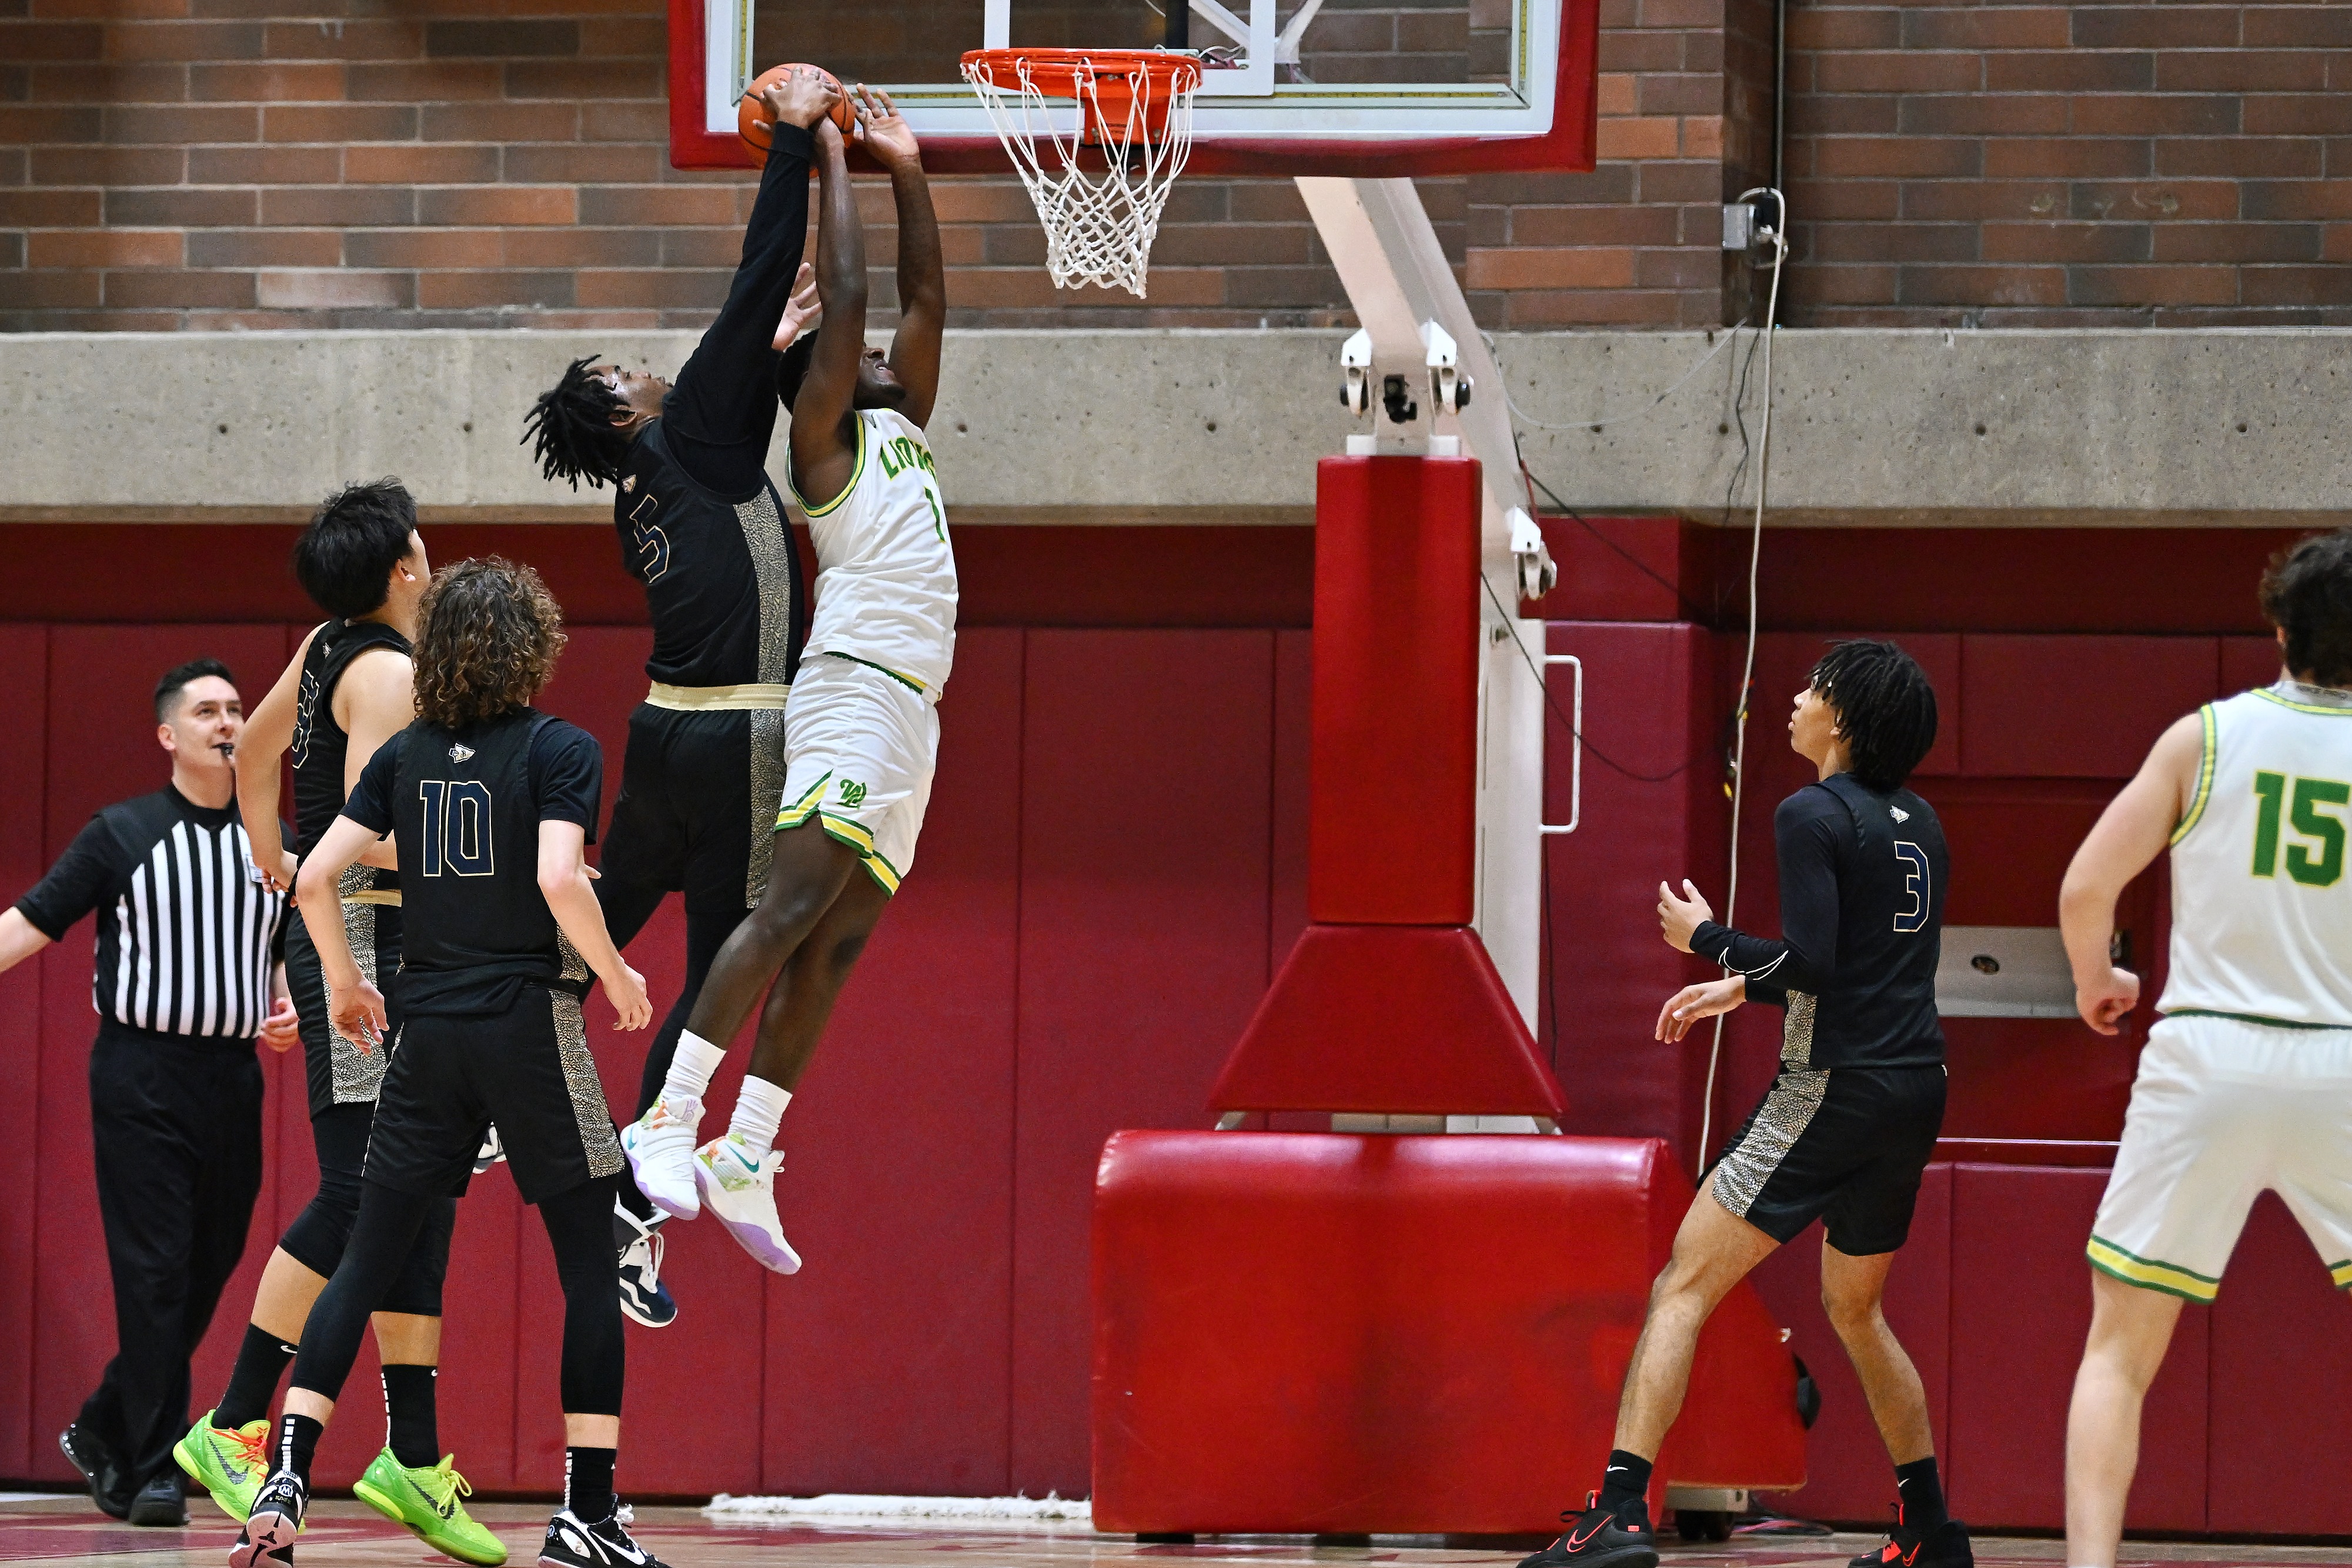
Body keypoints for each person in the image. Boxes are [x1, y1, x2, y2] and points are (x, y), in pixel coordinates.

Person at [232, 557, 657, 1568]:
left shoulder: (406, 757)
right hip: (528, 1023)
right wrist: (619, 971)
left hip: (426, 1032)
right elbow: (561, 875)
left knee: (370, 1255)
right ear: (533, 646)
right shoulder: (562, 748)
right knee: (589, 1267)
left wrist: (341, 979)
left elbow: (316, 870)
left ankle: (287, 1473)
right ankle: (586, 1514)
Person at [1519, 640, 1963, 1568]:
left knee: (1682, 1288)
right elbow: (1865, 974)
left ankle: (1619, 1516)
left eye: (1811, 689)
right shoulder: (1922, 823)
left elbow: (1816, 964)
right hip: (1914, 1087)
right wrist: (1745, 991)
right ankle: (1927, 1532)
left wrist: (1706, 941)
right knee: (1857, 1313)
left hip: (1831, 1088)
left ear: (1839, 719)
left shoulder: (1810, 813)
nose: (1795, 700)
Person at [521, 64, 840, 1329]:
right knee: (719, 967)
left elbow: (727, 430)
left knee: (605, 907)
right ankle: (635, 1208)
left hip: (661, 728)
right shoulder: (684, 433)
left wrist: (756, 365)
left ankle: (487, 1080)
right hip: (739, 732)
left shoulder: (646, 479)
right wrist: (792, 142)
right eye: (626, 366)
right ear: (615, 404)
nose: (651, 365)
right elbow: (761, 273)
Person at [619, 84, 953, 1275]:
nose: (869, 348)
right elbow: (858, 294)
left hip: (911, 709)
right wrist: (827, 155)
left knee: (844, 935)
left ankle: (747, 1148)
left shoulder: (902, 412)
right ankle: (665, 1118)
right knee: (789, 907)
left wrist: (909, 168)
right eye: (844, 351)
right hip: (852, 685)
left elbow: (918, 300)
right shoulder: (826, 440)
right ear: (812, 381)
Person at [168, 482, 503, 1564]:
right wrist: (503, 853)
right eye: (421, 539)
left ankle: (413, 1452)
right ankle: (231, 1424)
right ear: (406, 563)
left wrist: (269, 853)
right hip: (365, 945)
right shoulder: (395, 675)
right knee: (366, 1193)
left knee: (419, 1198)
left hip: (358, 936)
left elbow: (248, 759)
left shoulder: (324, 647)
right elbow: (378, 837)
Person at [2060, 531, 2352, 1567]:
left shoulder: (2206, 738)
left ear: (2279, 629)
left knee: (2119, 1353)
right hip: (2341, 1065)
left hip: (2207, 1055)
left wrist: (2100, 983)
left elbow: (2088, 887)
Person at [0, 660, 297, 1526]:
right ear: (169, 735)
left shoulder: (269, 838)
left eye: (237, 708)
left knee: (211, 1263)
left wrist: (283, 1001)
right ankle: (160, 1462)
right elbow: (31, 922)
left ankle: (102, 1426)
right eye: (206, 711)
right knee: (156, 1272)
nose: (228, 721)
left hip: (232, 1078)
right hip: (141, 1076)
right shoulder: (120, 833)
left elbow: (283, 945)